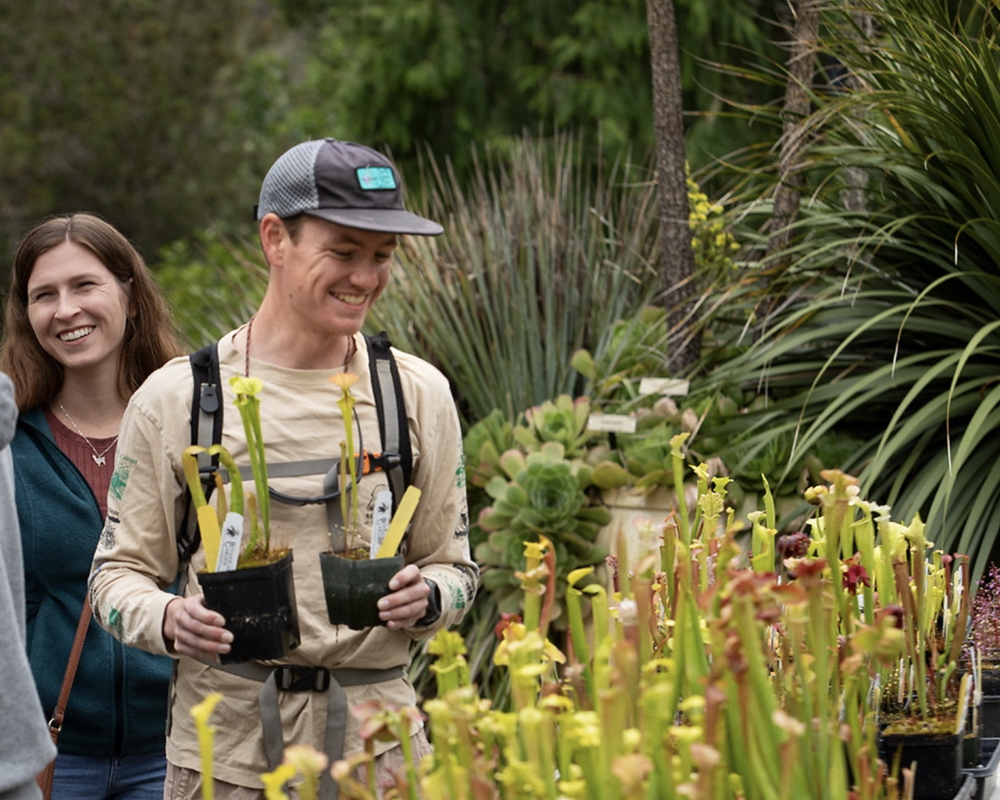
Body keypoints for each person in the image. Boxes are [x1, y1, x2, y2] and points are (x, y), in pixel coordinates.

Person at [89, 139, 479, 799]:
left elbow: (459, 570)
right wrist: (167, 618)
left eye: (383, 256)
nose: (367, 277)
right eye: (344, 252)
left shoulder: (414, 393)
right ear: (276, 238)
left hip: (380, 761)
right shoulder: (179, 397)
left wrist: (432, 596)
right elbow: (113, 580)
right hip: (225, 761)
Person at [0, 213, 184, 799]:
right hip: (53, 759)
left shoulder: (191, 428)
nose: (65, 310)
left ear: (130, 298)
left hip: (175, 747)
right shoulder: (9, 446)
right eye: (43, 295)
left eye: (85, 285)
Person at [0, 370, 57, 800]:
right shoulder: (18, 438)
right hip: (55, 743)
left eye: (81, 293)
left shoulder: (172, 408)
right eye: (43, 296)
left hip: (160, 744)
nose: (65, 311)